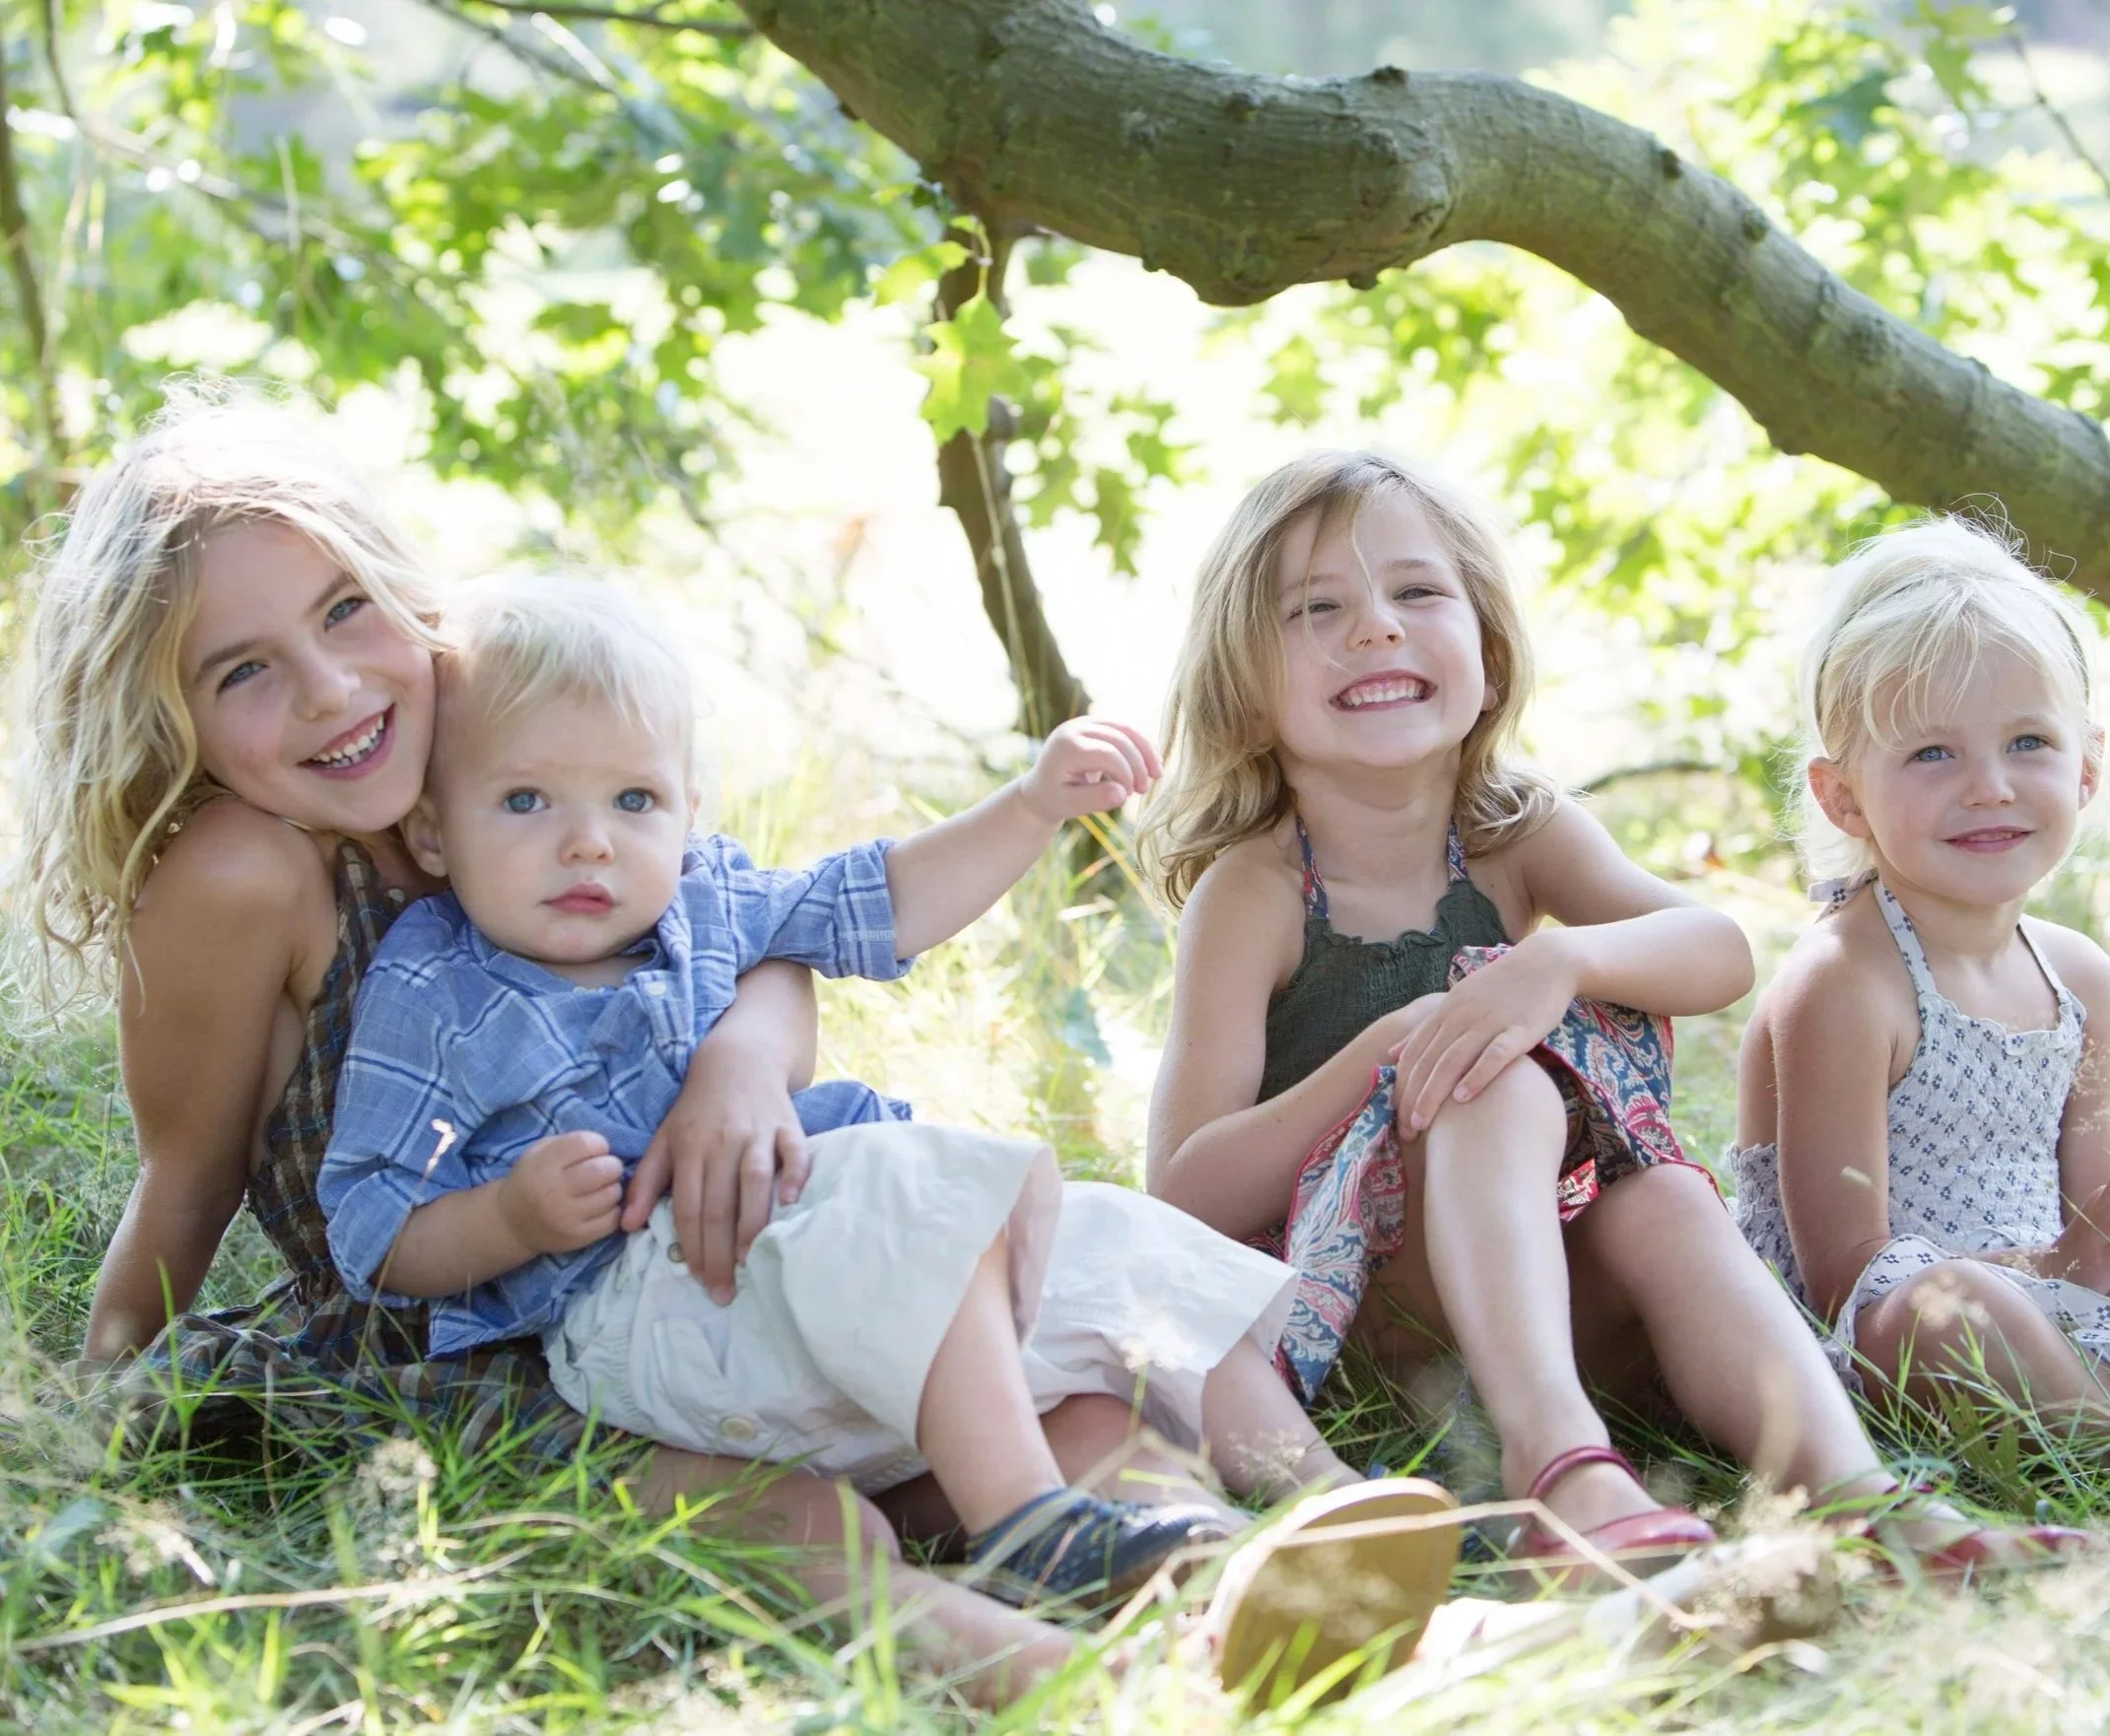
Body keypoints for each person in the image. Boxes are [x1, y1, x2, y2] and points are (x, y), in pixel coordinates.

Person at [0, 386, 1361, 1703]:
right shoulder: (248, 871)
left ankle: (1273, 1593)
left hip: (694, 1280)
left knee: (1077, 1401)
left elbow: (744, 929)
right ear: (169, 712)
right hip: (461, 1354)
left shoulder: (503, 717)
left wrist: (739, 1068)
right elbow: (190, 1177)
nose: (327, 687)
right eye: (245, 671)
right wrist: (90, 1418)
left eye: (346, 608)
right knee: (789, 1524)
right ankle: (1098, 1681)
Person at [315, 573, 1403, 1606]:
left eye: (634, 798)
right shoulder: (433, 980)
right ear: (430, 830)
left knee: (1114, 1240)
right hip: (653, 1309)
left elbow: (875, 901)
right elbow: (370, 1220)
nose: (589, 838)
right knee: (902, 1190)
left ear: (689, 810)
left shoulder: (706, 896)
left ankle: (1333, 1499)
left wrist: (1028, 809)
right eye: (524, 799)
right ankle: (1036, 1525)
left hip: (832, 1294)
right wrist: (504, 1218)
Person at [1140, 449, 2090, 1578]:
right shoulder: (1257, 892)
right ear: (1245, 681)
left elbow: (1719, 949)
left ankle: (1859, 1499)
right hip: (1376, 1326)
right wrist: (1395, 1050)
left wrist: (1562, 963)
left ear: (1489, 655)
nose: (1377, 631)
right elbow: (1184, 1188)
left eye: (1417, 593)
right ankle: (1558, 1468)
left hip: (1561, 1304)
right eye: (1318, 609)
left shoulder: (1517, 831)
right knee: (1488, 1083)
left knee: (1666, 1205)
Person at [1733, 515, 2110, 1435]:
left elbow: (2091, 1222)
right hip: (1887, 1344)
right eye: (1933, 753)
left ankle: (2103, 1408)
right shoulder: (1846, 980)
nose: (1989, 787)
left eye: (2028, 745)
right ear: (1843, 795)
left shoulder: (2078, 978)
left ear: (2087, 765)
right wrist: (2052, 1268)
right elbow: (1850, 1276)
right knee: (1948, 1305)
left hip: (2051, 1307)